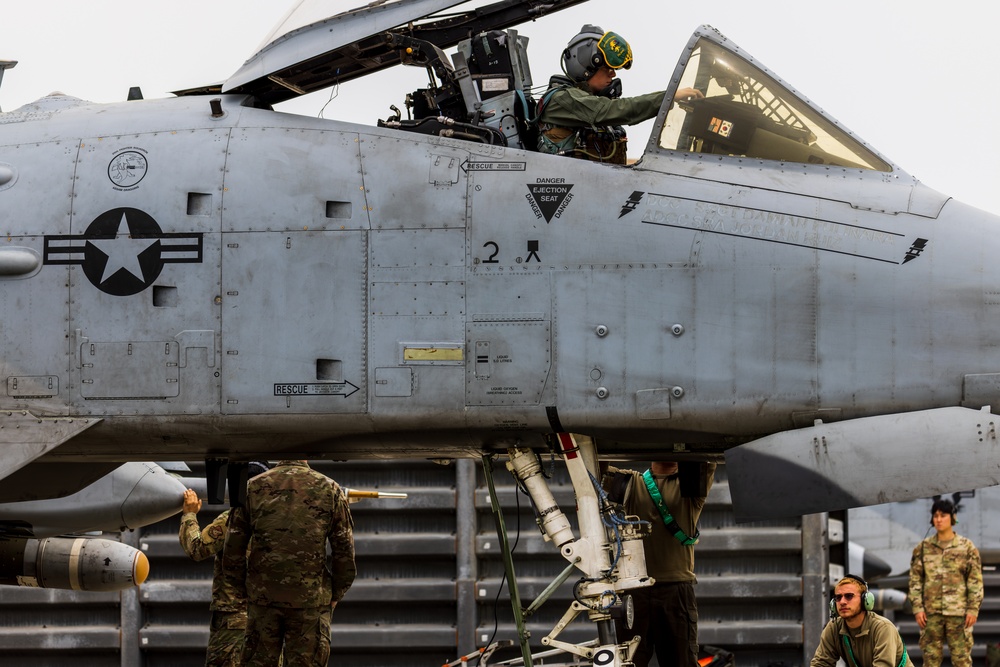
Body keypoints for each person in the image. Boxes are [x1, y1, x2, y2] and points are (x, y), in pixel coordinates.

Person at [224, 460, 356, 667]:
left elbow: (232, 549)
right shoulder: (329, 488)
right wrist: (335, 593)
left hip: (263, 601)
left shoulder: (252, 487)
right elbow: (344, 552)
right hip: (310, 603)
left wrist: (245, 591)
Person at [604, 459, 716, 667]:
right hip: (634, 589)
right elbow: (594, 469)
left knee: (681, 661)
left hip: (675, 590)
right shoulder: (632, 482)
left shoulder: (688, 483)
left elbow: (701, 452)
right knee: (630, 662)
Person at [537, 25, 703, 164]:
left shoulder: (588, 103)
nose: (613, 75)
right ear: (586, 67)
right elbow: (618, 109)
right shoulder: (562, 99)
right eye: (607, 68)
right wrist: (668, 97)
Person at [178, 461, 270, 667]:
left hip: (234, 626)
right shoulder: (280, 523)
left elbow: (196, 549)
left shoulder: (232, 519)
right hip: (270, 625)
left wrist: (189, 515)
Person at [908, 498, 983, 667]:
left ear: (953, 518)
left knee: (962, 660)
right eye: (935, 516)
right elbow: (915, 580)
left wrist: (973, 608)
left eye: (943, 515)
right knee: (930, 660)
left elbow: (975, 581)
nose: (939, 519)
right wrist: (918, 608)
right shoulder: (923, 548)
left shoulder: (966, 547)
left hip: (959, 614)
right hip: (930, 615)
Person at [810, 574, 911, 667]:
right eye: (838, 597)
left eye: (849, 596)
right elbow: (821, 663)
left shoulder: (883, 628)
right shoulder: (834, 628)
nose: (842, 602)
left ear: (865, 600)